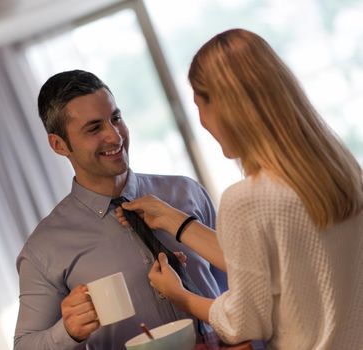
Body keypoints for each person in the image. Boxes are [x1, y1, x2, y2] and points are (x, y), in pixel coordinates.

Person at [116, 28, 363, 349]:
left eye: (200, 105)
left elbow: (245, 321)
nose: (202, 121)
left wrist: (181, 297)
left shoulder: (246, 199)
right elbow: (274, 267)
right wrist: (173, 220)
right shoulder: (340, 170)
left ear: (226, 106)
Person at [14, 69, 227, 349]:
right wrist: (68, 332)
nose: (115, 137)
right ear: (59, 144)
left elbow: (240, 288)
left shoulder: (186, 193)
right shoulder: (44, 249)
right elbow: (25, 345)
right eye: (94, 128)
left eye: (115, 118)